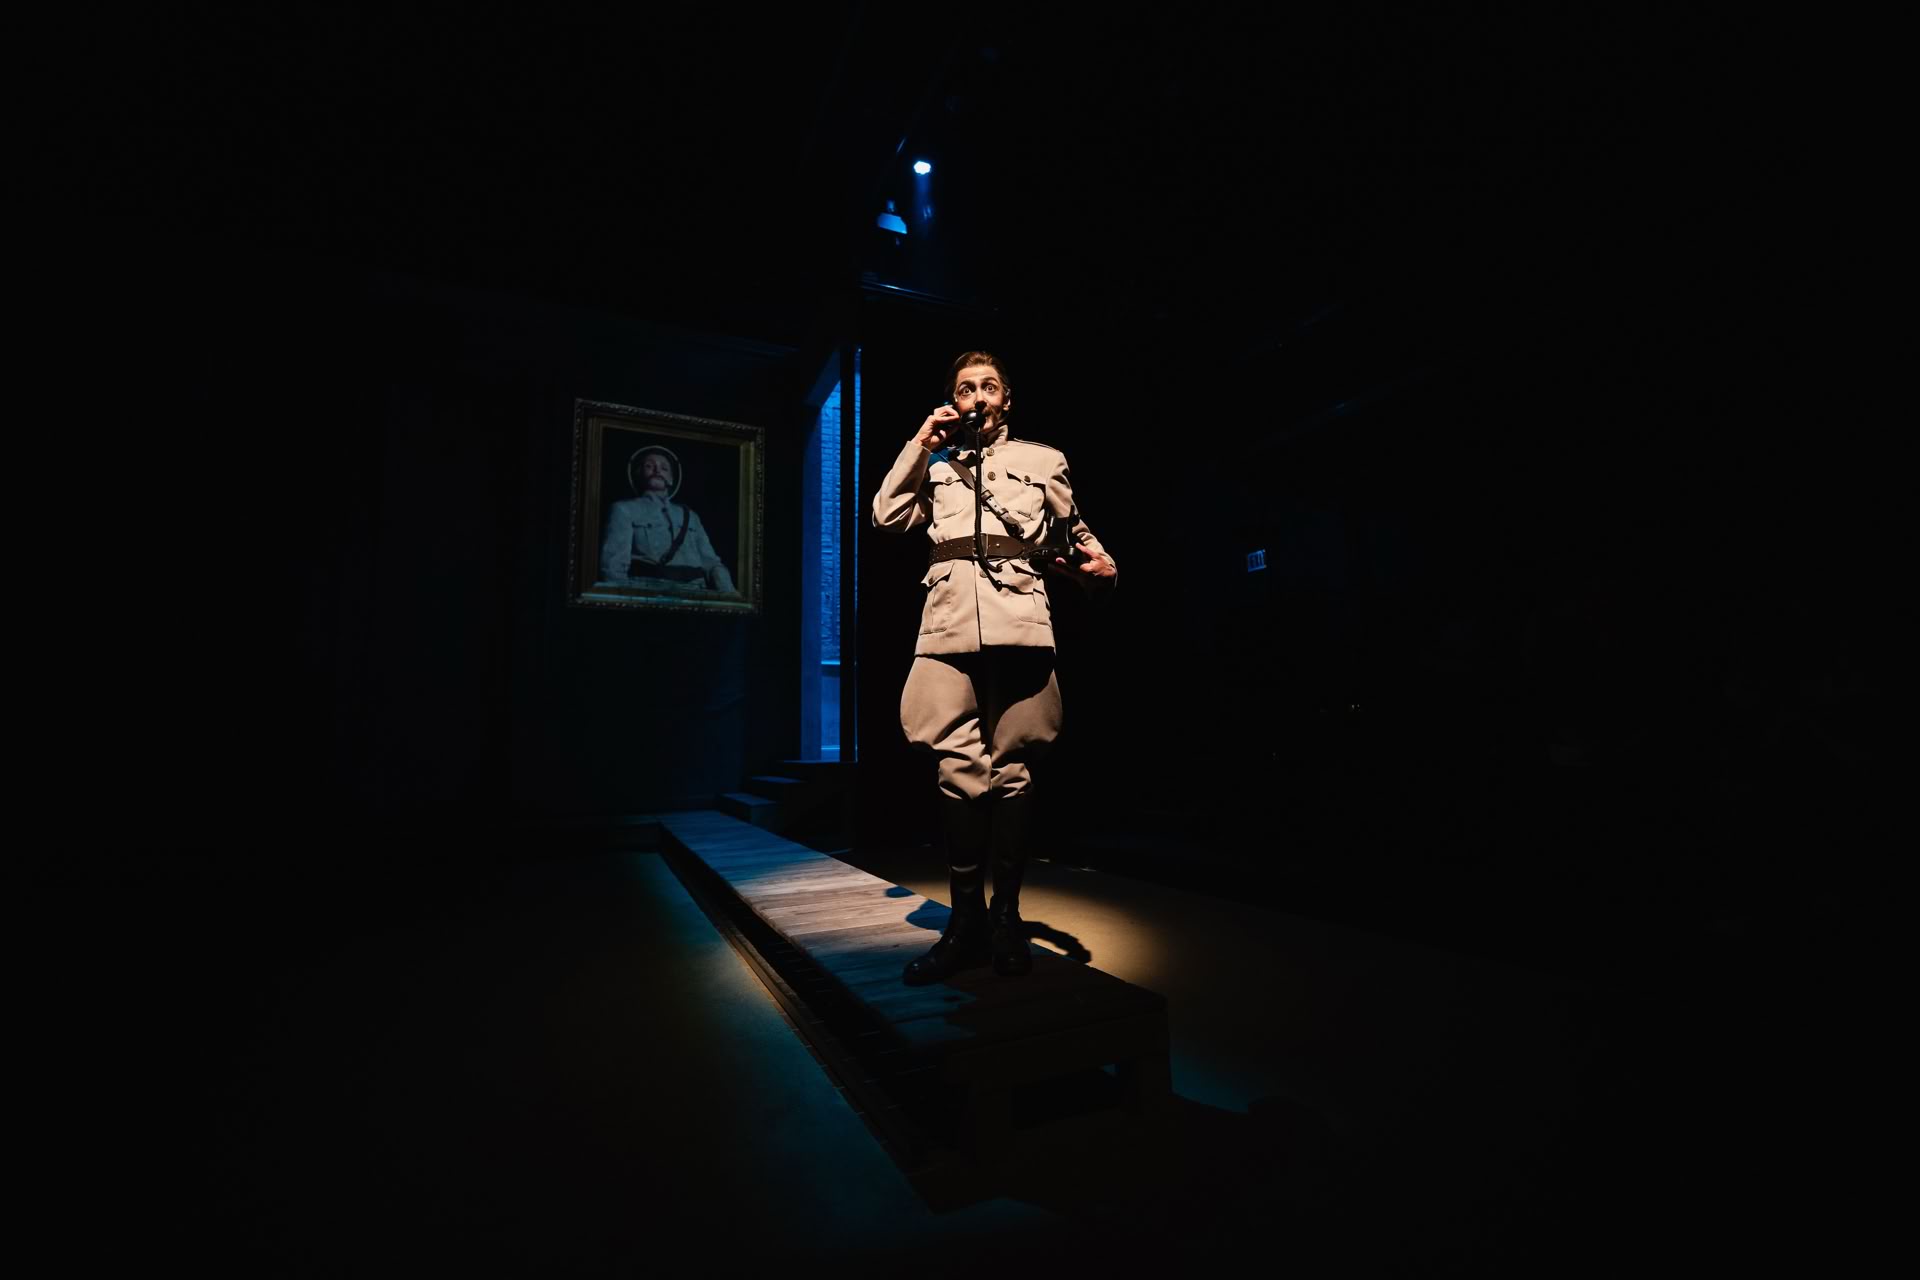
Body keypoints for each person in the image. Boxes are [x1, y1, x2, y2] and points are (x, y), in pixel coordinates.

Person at [871, 351, 1117, 985]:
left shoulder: (1043, 460)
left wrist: (1102, 564)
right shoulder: (934, 463)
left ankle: (1005, 918)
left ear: (1007, 399)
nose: (976, 396)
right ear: (951, 401)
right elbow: (886, 514)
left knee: (1012, 771)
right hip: (948, 625)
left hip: (1020, 624)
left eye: (988, 386)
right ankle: (965, 924)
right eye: (964, 388)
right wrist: (920, 443)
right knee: (957, 771)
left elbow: (1075, 532)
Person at [598, 445, 736, 592]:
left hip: (696, 592)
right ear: (638, 474)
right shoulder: (624, 510)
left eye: (664, 468)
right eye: (649, 466)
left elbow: (710, 562)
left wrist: (729, 593)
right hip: (648, 591)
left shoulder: (690, 516)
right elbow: (613, 566)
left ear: (671, 479)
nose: (657, 470)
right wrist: (622, 598)